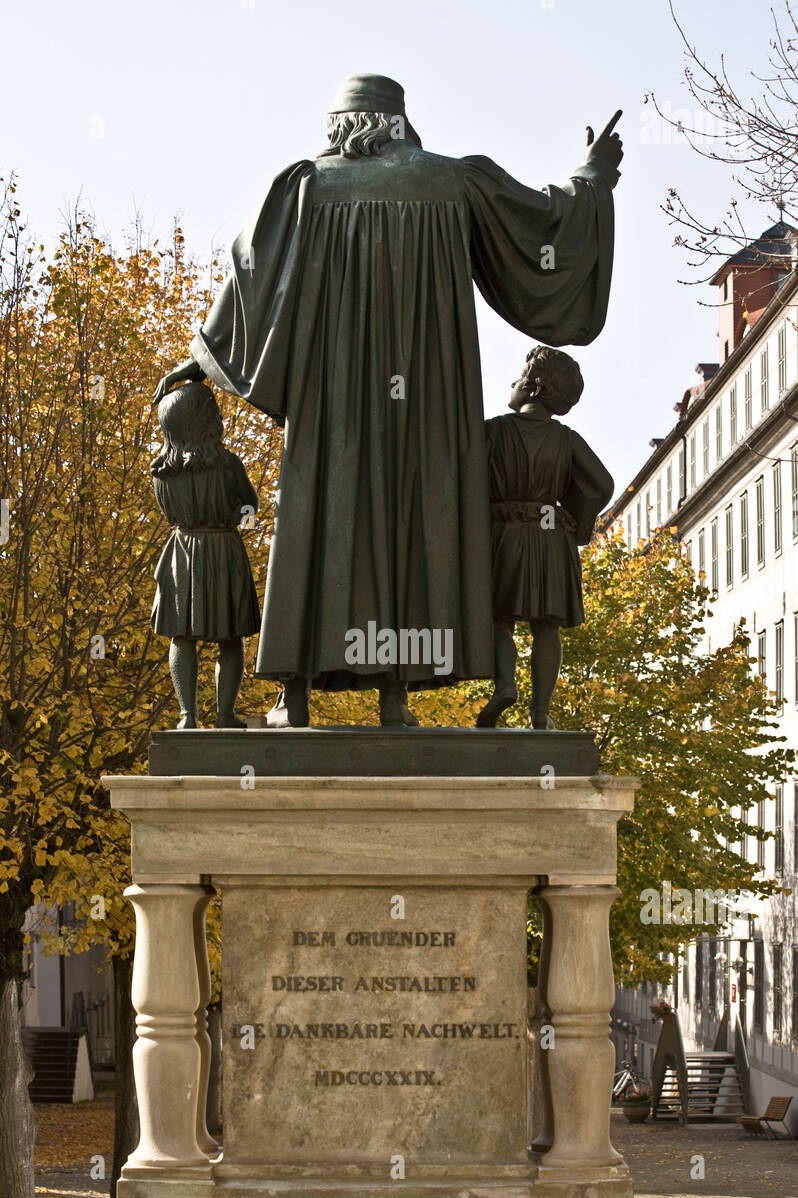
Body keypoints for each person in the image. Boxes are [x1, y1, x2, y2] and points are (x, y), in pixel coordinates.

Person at [154, 75, 623, 727]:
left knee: (323, 518)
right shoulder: (455, 182)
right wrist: (592, 175)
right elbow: (544, 228)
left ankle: (294, 696)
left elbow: (251, 272)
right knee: (414, 523)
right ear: (399, 123)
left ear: (346, 125)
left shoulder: (309, 186)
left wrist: (203, 358)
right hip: (431, 405)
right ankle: (396, 699)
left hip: (333, 399)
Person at [476, 346, 614, 730]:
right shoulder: (567, 439)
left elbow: (465, 480)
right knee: (546, 625)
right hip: (551, 535)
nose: (513, 382)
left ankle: (505, 686)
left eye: (520, 376)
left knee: (500, 619)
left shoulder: (491, 430)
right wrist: (574, 522)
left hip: (502, 533)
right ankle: (541, 713)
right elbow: (602, 484)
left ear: (534, 386)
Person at [150, 382, 260, 729]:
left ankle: (187, 717)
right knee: (230, 636)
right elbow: (250, 506)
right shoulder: (227, 464)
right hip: (224, 549)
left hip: (182, 551)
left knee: (181, 634)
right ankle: (225, 715)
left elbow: (168, 514)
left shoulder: (161, 472)